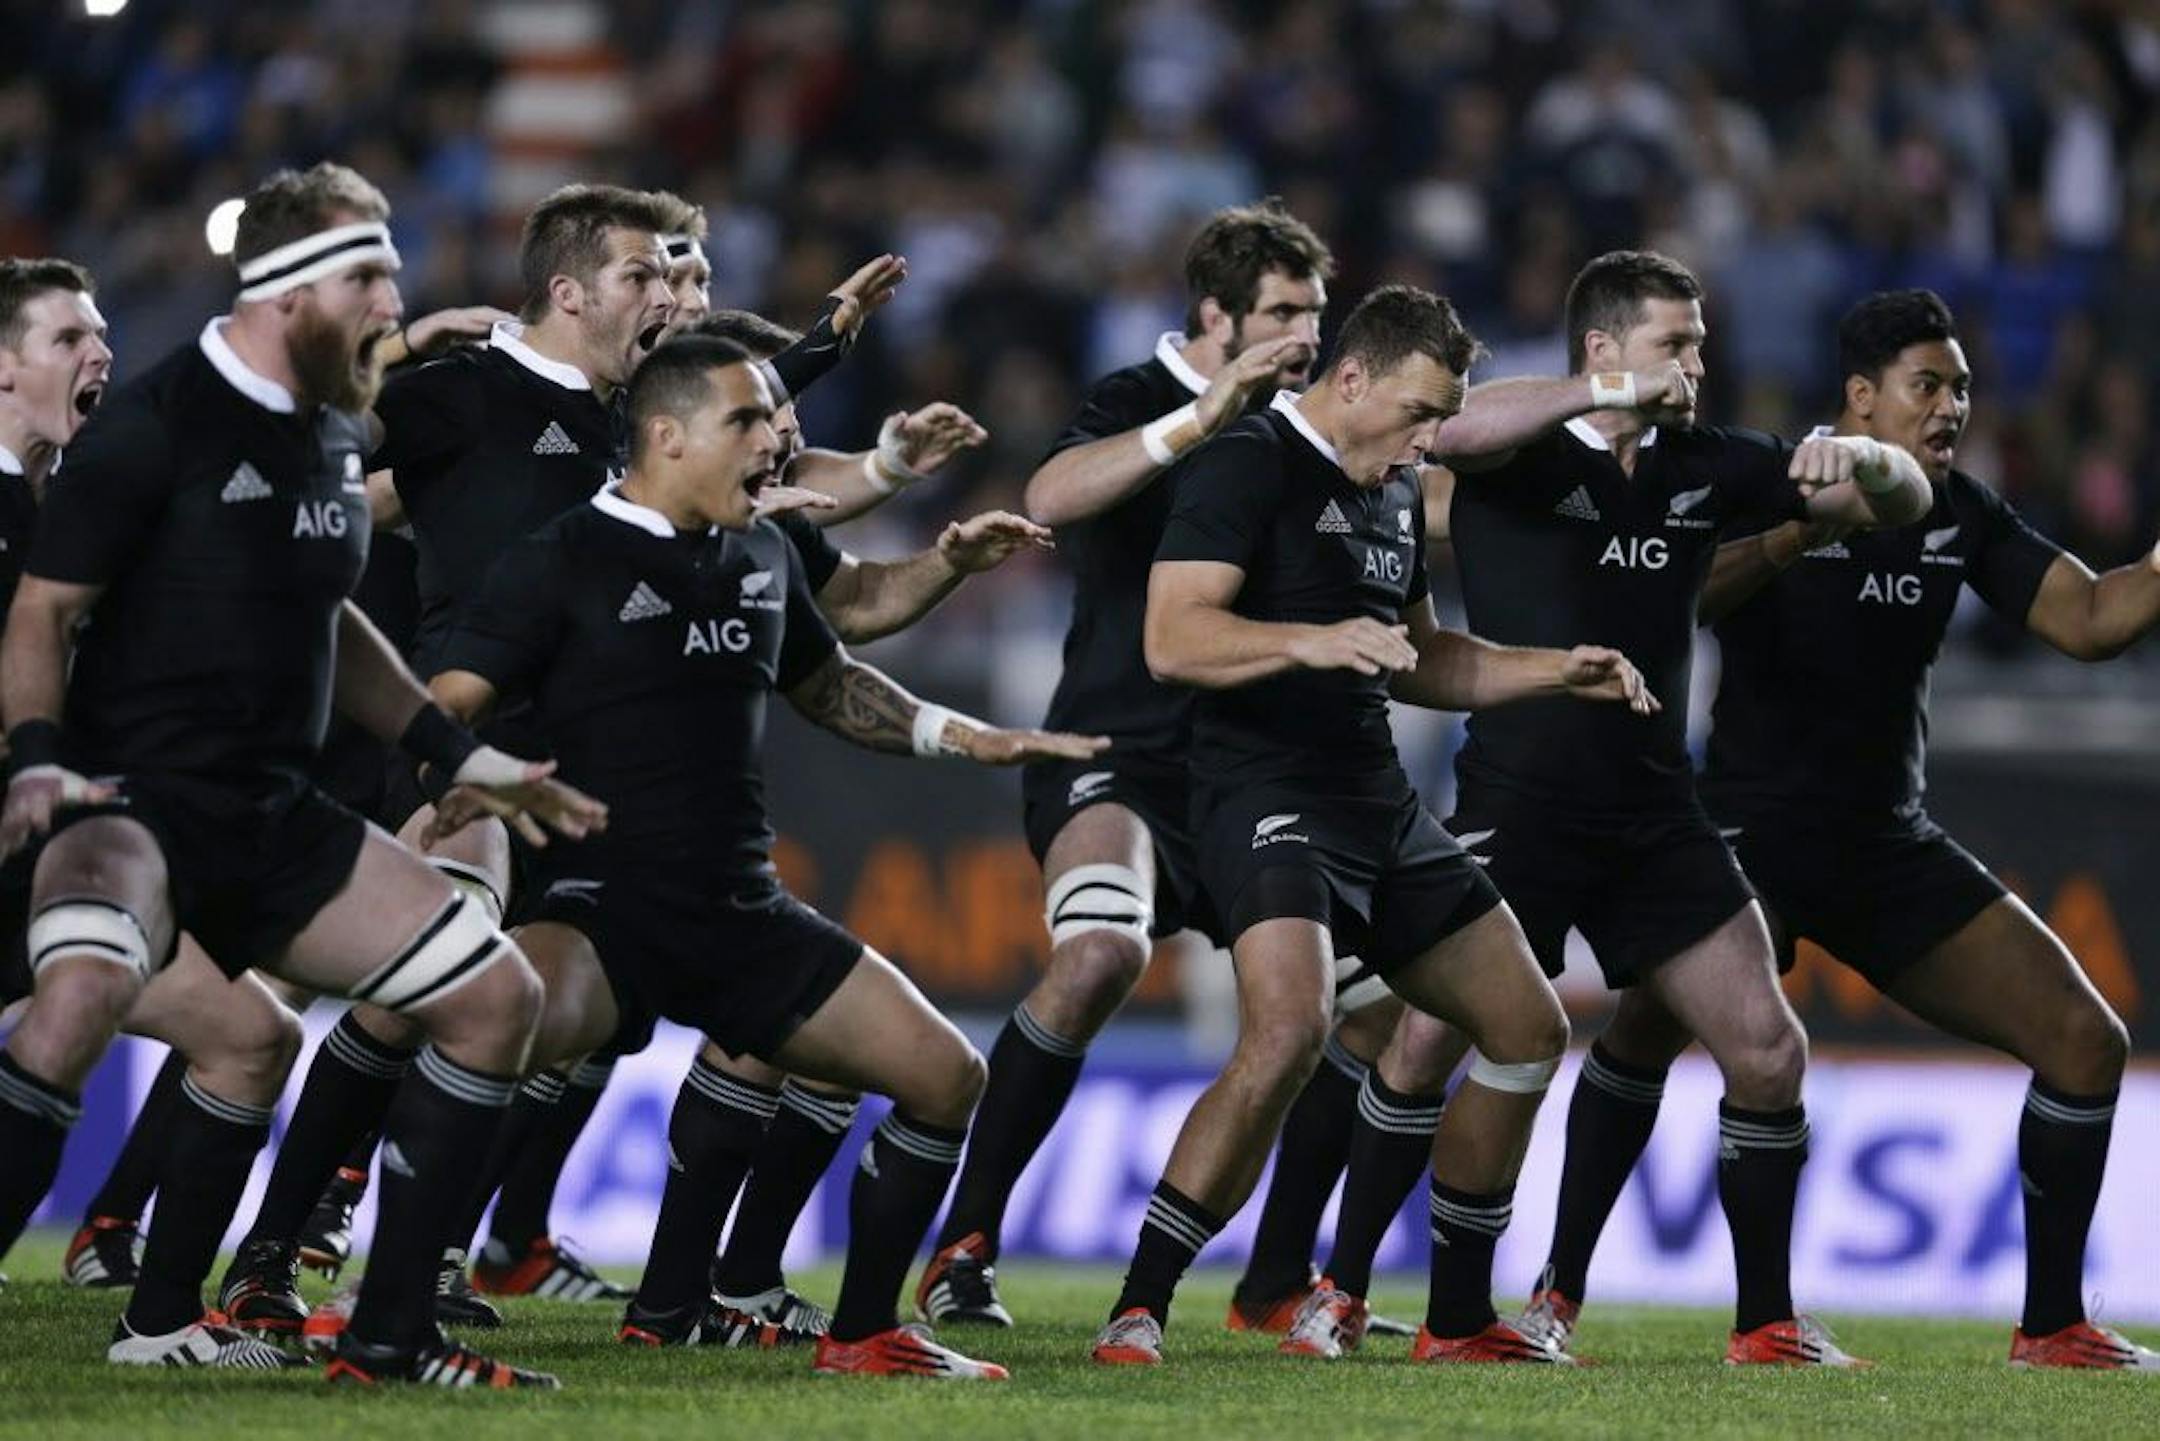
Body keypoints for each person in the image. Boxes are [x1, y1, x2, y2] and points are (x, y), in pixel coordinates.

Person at [216, 184, 910, 1332]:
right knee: (422, 988)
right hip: (470, 754)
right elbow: (307, 447)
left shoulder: (645, 418)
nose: (675, 297)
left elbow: (750, 404)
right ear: (571, 291)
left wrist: (830, 350)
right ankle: (271, 1252)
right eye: (647, 276)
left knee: (558, 1025)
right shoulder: (459, 397)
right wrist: (388, 351)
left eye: (678, 277)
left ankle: (466, 1262)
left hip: (604, 782)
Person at [0, 163, 606, 1388]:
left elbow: (333, 618)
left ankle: (373, 1334)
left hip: (275, 816)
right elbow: (41, 617)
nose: (395, 300)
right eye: (369, 275)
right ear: (285, 292)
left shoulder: (331, 429)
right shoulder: (157, 428)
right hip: (136, 811)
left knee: (492, 1001)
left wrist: (450, 752)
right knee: (70, 1016)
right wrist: (38, 762)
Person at [419, 332, 1103, 1378]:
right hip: (600, 904)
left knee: (945, 1076)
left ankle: (865, 1331)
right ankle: (393, 1293)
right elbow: (447, 708)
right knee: (480, 1030)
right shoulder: (559, 557)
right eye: (746, 421)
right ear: (667, 435)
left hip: (740, 908)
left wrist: (974, 739)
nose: (774, 441)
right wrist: (465, 776)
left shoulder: (765, 550)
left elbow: (832, 689)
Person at [1526, 288, 2159, 1372]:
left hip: (1882, 845)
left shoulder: (1961, 509)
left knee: (2085, 1040)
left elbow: (2090, 619)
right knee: (1643, 1031)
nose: (1951, 405)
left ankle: (2052, 1323)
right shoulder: (1769, 476)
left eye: (1960, 386)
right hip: (1737, 834)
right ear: (1861, 398)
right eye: (1928, 385)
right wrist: (1797, 526)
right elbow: (1673, 601)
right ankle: (1565, 1295)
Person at [1090, 283, 1661, 1369]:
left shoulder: (1395, 488)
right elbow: (1173, 637)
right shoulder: (1244, 463)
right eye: (1414, 412)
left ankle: (1453, 1318)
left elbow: (1422, 656)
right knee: (1291, 1030)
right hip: (1263, 794)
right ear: (1349, 379)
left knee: (1530, 1025)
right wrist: (1309, 641)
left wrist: (1555, 668)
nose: (1427, 439)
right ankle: (1140, 1303)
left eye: (1440, 418)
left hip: (1377, 803)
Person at [1416, 250, 1930, 1367]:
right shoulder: (1524, 453)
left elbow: (1901, 500)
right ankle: (1362, 1292)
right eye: (1675, 343)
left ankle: (1765, 1321)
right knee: (1427, 1045)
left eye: (1700, 341)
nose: (1699, 361)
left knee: (1766, 1048)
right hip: (1521, 804)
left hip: (1656, 815)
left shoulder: (1707, 461)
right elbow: (1448, 432)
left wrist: (1873, 462)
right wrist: (1608, 399)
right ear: (1603, 351)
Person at [922, 199, 1404, 1336]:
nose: (1304, 336)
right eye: (1283, 313)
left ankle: (1275, 1279)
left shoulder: (1312, 427)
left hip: (1264, 777)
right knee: (1097, 953)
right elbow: (1045, 499)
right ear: (1213, 314)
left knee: (1378, 1018)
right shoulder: (1136, 401)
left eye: (1315, 315)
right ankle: (964, 1245)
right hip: (1119, 757)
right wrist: (1202, 418)